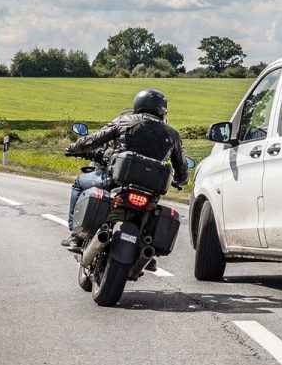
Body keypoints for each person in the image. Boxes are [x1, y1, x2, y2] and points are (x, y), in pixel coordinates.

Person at [62, 88, 189, 249]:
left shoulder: (124, 120)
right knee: (152, 212)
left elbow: (94, 139)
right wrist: (180, 180)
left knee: (79, 183)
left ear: (138, 104)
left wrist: (73, 148)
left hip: (115, 181)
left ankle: (76, 236)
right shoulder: (172, 134)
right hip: (150, 192)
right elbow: (182, 169)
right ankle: (146, 252)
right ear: (162, 111)